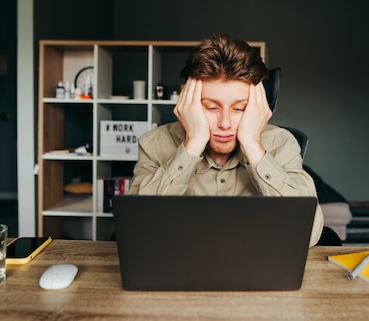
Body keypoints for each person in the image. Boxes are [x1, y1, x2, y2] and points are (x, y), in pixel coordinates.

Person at [129, 33, 324, 246]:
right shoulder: (154, 143)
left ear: (257, 107)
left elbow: (309, 234)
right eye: (211, 107)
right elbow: (139, 231)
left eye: (240, 108)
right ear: (189, 103)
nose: (225, 122)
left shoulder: (282, 143)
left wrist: (252, 144)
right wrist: (193, 143)